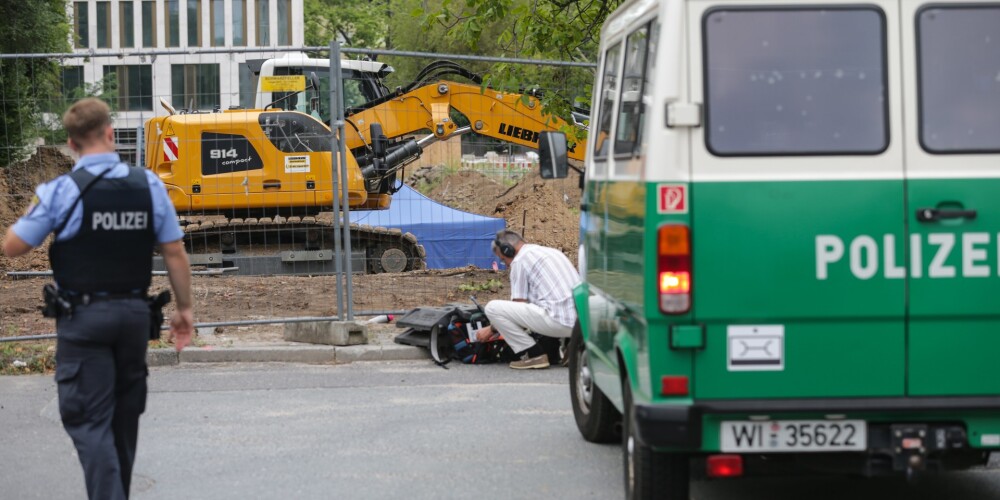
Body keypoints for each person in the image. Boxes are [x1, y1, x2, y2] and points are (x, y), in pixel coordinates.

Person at [1, 98, 194, 500]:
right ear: (110, 134)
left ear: (71, 146)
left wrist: (37, 207)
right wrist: (184, 310)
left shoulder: (60, 191)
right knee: (123, 420)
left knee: (89, 421)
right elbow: (175, 252)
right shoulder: (149, 184)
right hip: (132, 320)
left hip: (84, 320)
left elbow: (14, 246)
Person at [475, 229, 581, 369]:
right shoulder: (552, 252)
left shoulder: (520, 261)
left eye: (503, 259)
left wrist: (491, 329)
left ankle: (532, 354)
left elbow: (518, 305)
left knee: (493, 308)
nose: (505, 265)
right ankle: (573, 348)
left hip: (559, 322)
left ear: (508, 250)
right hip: (581, 323)